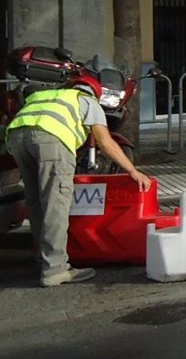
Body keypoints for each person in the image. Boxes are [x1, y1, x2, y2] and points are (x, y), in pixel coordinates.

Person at [4, 76, 151, 287]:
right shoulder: (88, 101)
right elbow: (105, 141)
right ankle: (55, 269)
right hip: (50, 140)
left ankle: (42, 257)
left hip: (17, 138)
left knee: (36, 201)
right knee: (55, 202)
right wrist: (132, 170)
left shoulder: (45, 95)